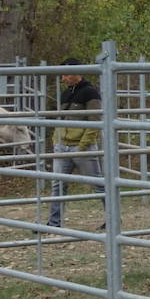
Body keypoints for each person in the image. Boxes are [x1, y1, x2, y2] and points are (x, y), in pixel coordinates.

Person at [47, 58, 105, 229]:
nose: (62, 79)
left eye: (65, 75)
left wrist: (82, 146)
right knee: (57, 184)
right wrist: (56, 140)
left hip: (81, 147)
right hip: (63, 146)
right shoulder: (66, 94)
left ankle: (113, 218)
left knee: (98, 184)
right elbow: (61, 119)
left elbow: (95, 120)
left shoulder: (90, 93)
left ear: (75, 74)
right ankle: (54, 222)